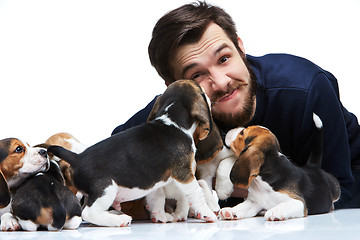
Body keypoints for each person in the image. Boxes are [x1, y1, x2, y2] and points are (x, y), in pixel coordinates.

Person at [112, 1, 360, 209]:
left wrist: (248, 188)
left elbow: (341, 191)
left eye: (224, 59)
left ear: (240, 48)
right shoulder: (175, 111)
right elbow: (111, 155)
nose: (220, 83)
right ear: (174, 87)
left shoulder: (305, 89)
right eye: (197, 75)